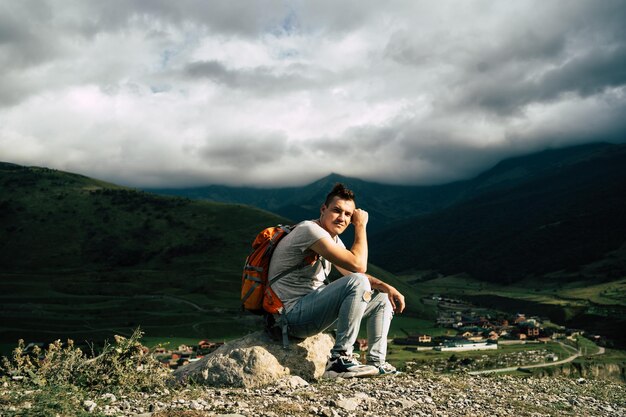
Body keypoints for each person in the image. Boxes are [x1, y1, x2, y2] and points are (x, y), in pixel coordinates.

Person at [268, 183, 406, 378]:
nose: (342, 218)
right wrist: (360, 225)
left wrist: (386, 287)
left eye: (348, 215)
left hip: (311, 311)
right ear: (323, 209)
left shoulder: (331, 239)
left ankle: (377, 362)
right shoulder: (310, 230)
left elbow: (351, 273)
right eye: (336, 210)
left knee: (382, 299)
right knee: (358, 281)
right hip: (290, 317)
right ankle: (339, 360)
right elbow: (358, 267)